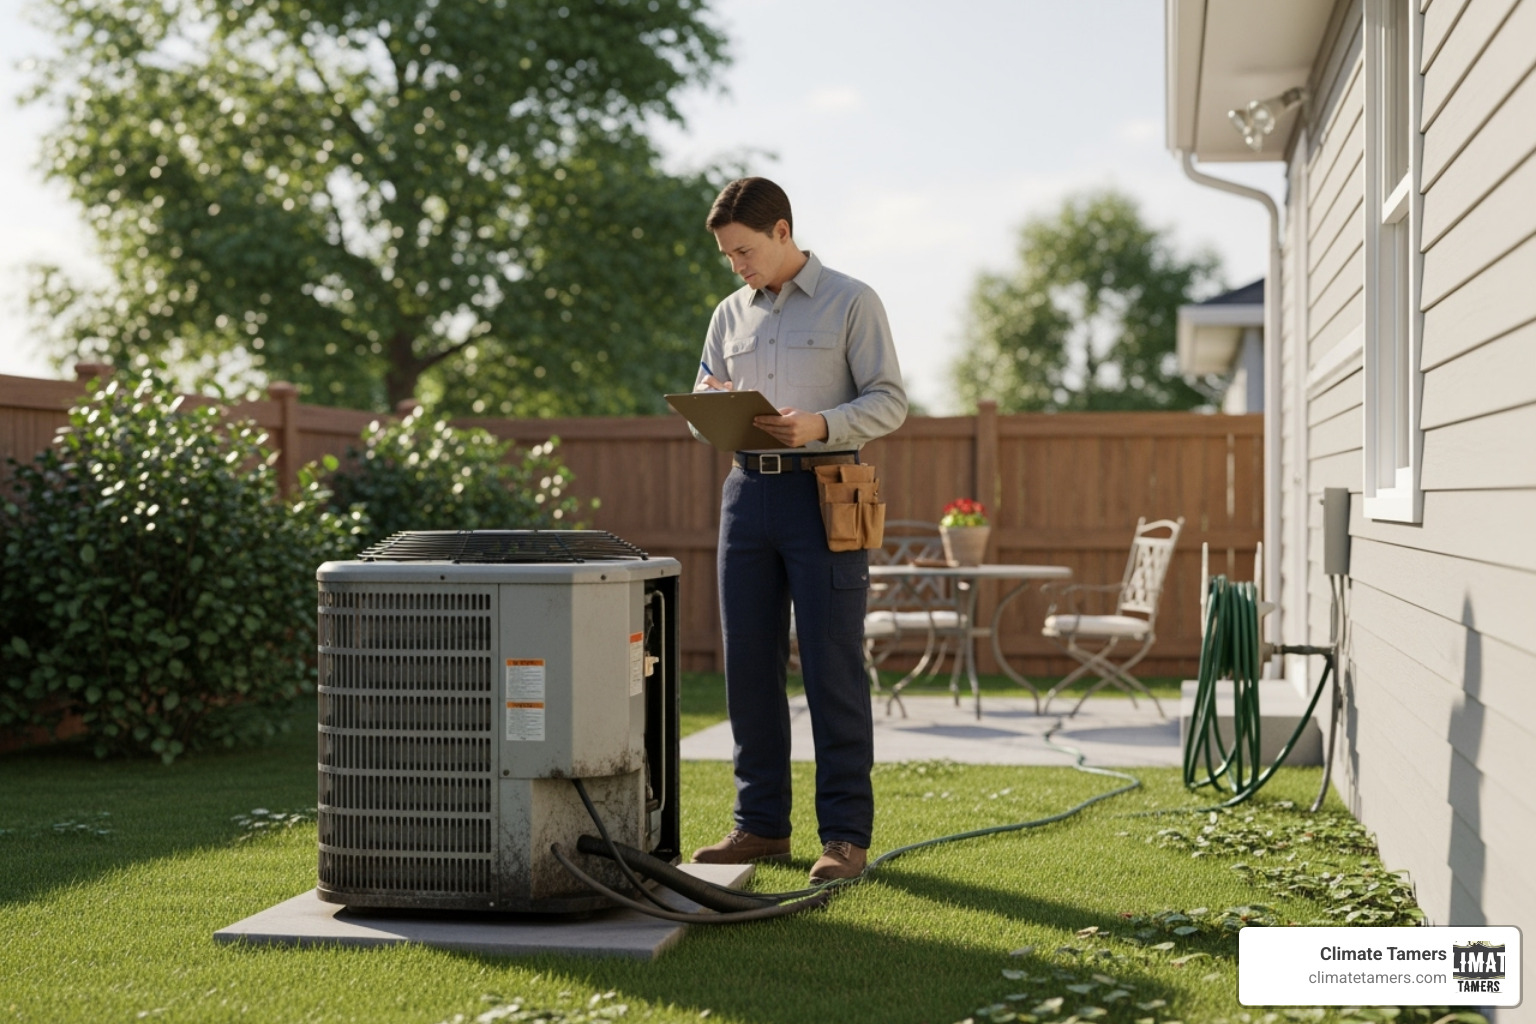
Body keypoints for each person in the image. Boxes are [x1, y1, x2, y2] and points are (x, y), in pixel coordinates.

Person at [688, 177, 907, 883]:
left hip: (827, 492)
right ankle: (760, 827)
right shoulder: (728, 314)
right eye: (728, 256)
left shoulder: (852, 300)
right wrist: (712, 404)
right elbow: (703, 401)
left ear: (782, 231)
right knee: (749, 665)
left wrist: (821, 424)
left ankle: (844, 836)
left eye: (744, 251)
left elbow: (890, 400)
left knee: (830, 663)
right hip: (746, 493)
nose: (737, 266)